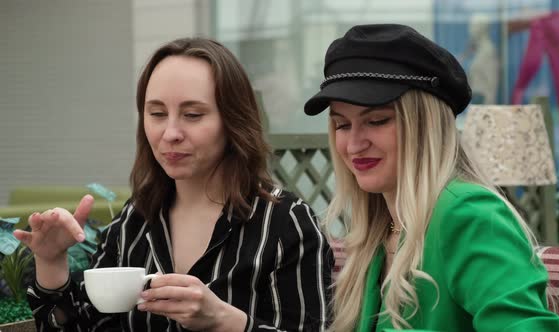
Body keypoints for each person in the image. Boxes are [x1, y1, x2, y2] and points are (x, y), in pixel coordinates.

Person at [14, 37, 333, 332]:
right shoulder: (135, 221)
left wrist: (223, 319)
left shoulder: (284, 223)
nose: (170, 133)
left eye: (192, 115)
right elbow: (82, 326)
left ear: (233, 121)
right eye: (156, 113)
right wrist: (52, 262)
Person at [303, 24, 559, 332]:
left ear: (426, 125)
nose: (354, 144)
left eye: (377, 120)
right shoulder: (383, 226)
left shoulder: (468, 214)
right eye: (342, 125)